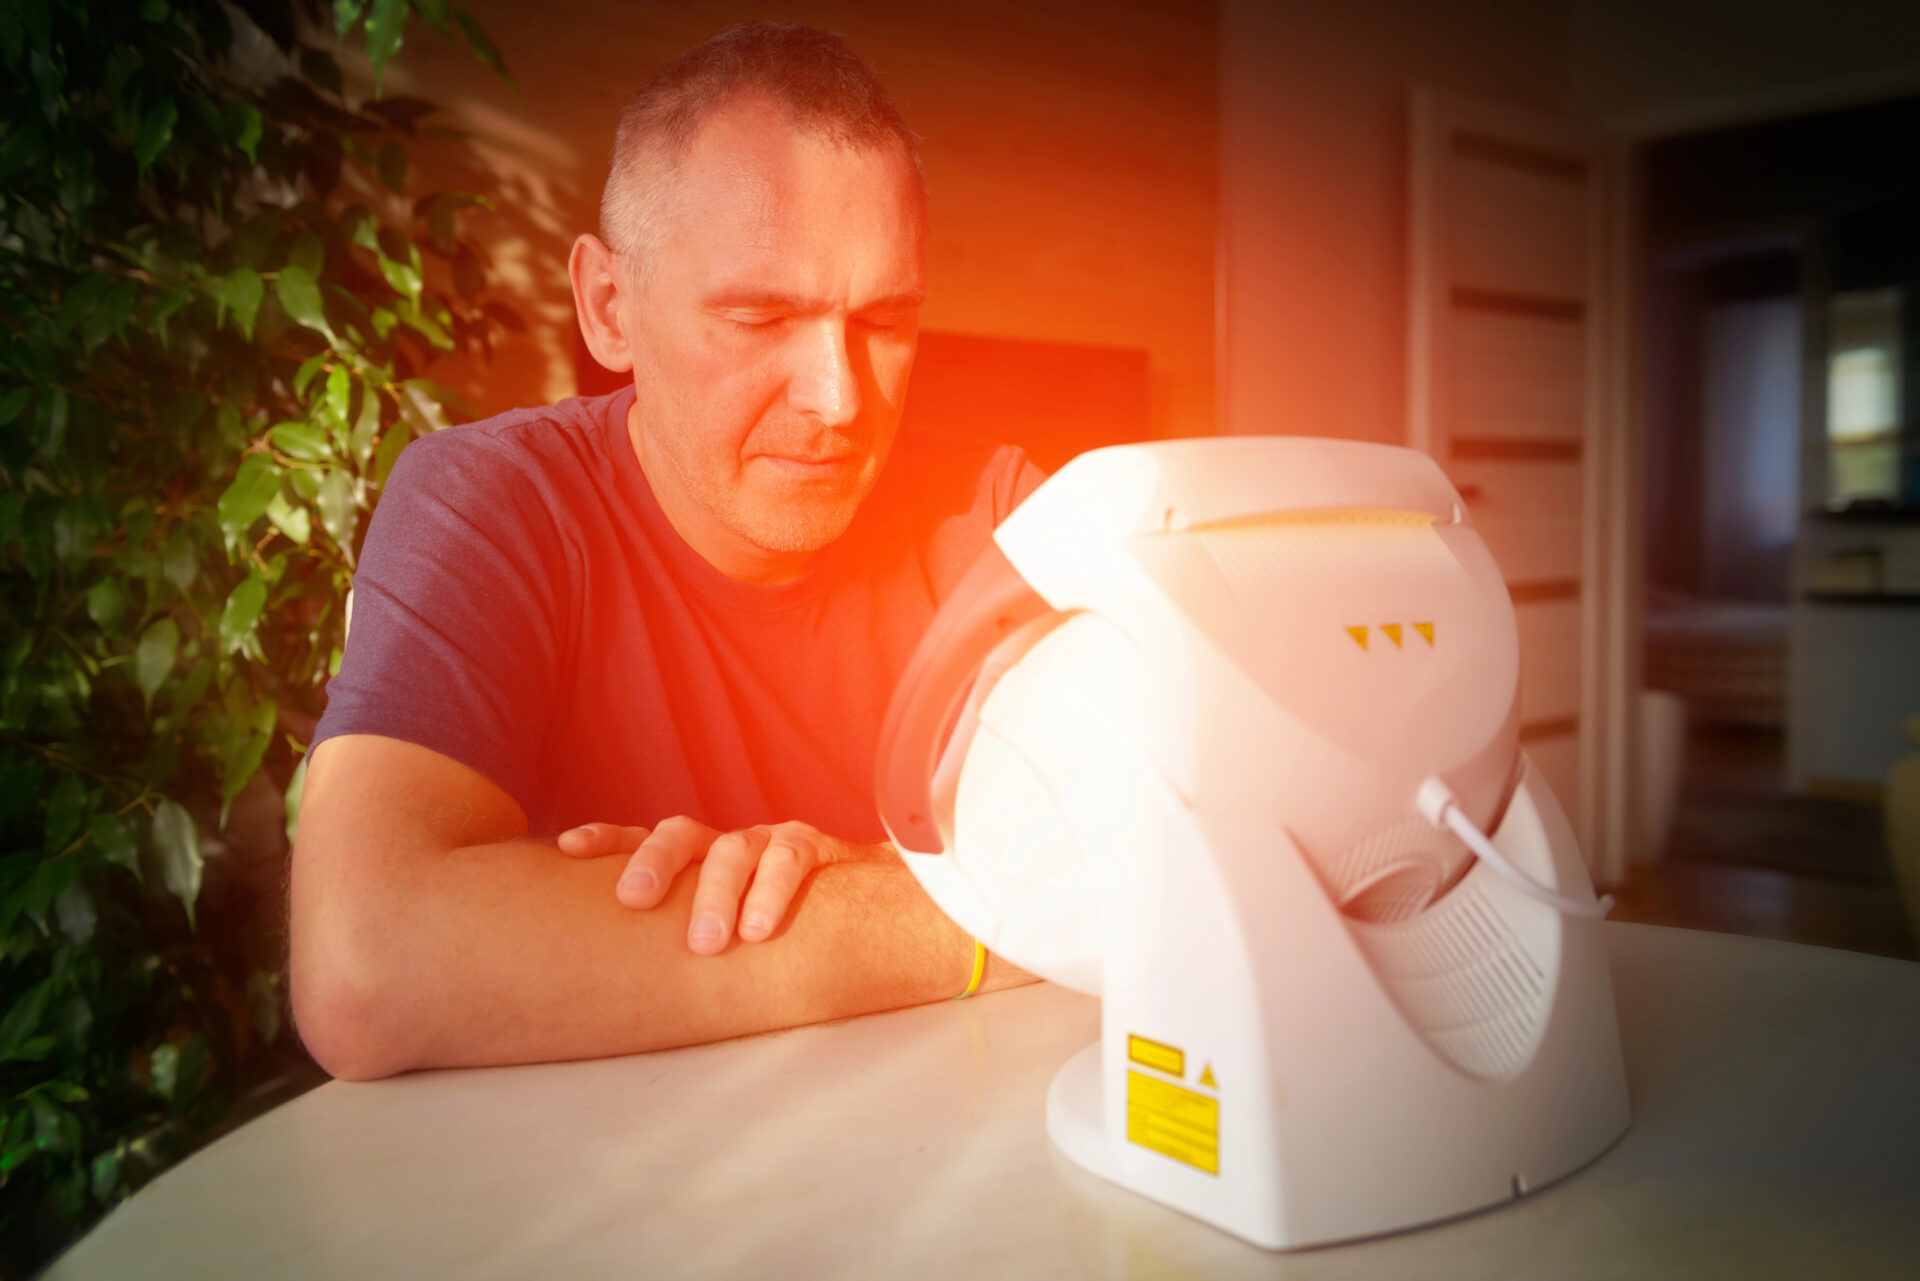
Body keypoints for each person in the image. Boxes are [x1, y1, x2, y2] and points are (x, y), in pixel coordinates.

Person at [289, 22, 1043, 1081]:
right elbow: (370, 962)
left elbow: (1192, 854)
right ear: (609, 307)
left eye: (883, 321)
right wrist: (955, 907)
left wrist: (651, 936)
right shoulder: (492, 503)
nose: (838, 398)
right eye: (759, 317)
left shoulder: (999, 512)